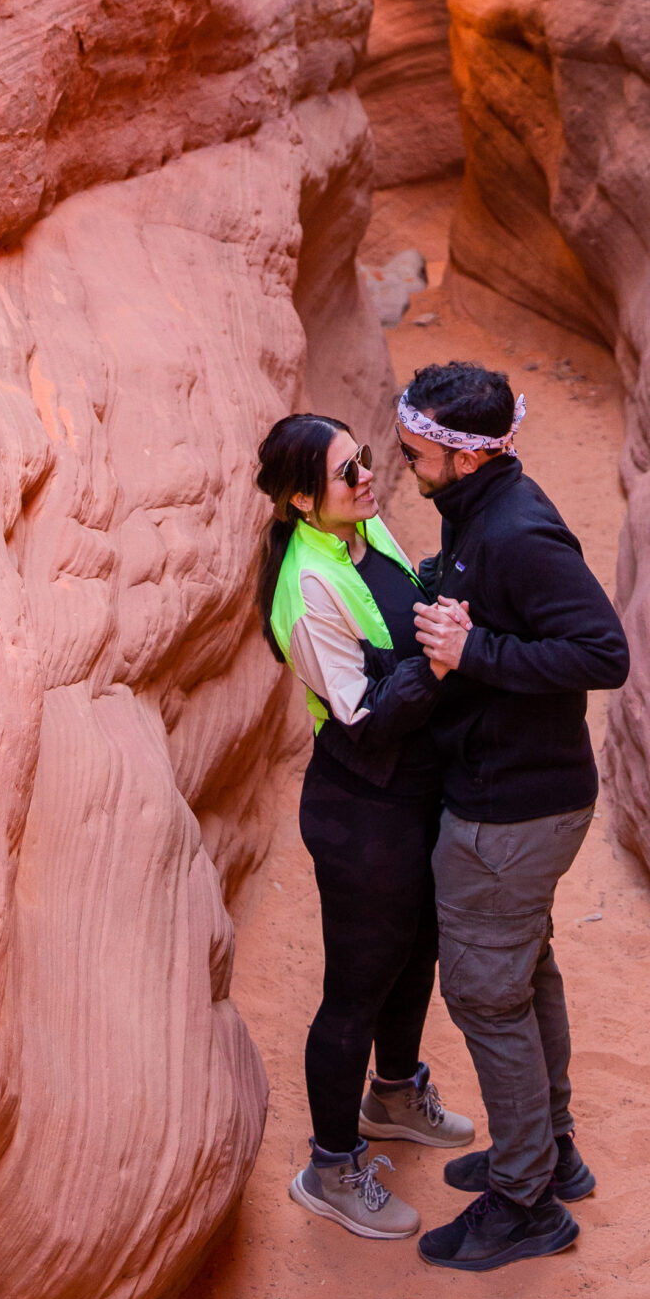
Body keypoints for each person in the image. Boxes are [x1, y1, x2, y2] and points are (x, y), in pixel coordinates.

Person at [398, 360, 631, 1275]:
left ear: (460, 458)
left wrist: (472, 649)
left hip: (511, 812)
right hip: (521, 795)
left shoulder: (518, 532)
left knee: (485, 995)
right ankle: (549, 1152)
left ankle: (526, 1202)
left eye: (415, 449)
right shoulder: (478, 512)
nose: (403, 459)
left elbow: (601, 652)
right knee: (523, 973)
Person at [255, 411, 477, 1241]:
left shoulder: (362, 531)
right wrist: (441, 659)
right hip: (362, 808)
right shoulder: (306, 591)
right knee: (354, 987)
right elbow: (361, 717)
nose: (366, 479)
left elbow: (405, 604)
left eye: (367, 461)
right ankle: (331, 1168)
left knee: (413, 948)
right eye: (349, 473)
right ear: (306, 501)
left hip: (411, 793)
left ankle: (393, 1095)